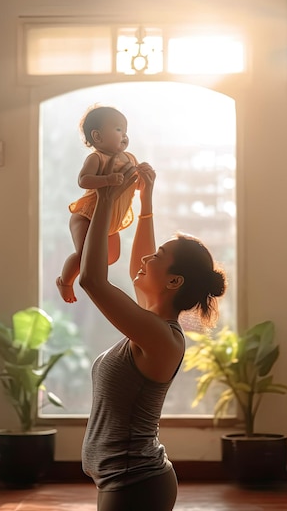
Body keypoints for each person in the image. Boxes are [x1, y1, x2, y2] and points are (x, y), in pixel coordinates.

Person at [78, 157, 227, 511]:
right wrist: (145, 202)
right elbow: (136, 264)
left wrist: (106, 199)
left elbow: (92, 279)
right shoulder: (151, 322)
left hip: (136, 483)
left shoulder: (162, 337)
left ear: (175, 281)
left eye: (157, 257)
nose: (146, 259)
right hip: (123, 479)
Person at [56, 105, 138, 303]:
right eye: (118, 130)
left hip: (110, 218)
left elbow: (133, 182)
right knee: (86, 255)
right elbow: (83, 180)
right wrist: (107, 180)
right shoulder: (97, 158)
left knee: (109, 258)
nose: (124, 135)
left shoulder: (129, 158)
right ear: (98, 137)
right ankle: (65, 282)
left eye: (125, 131)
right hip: (87, 215)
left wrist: (143, 178)